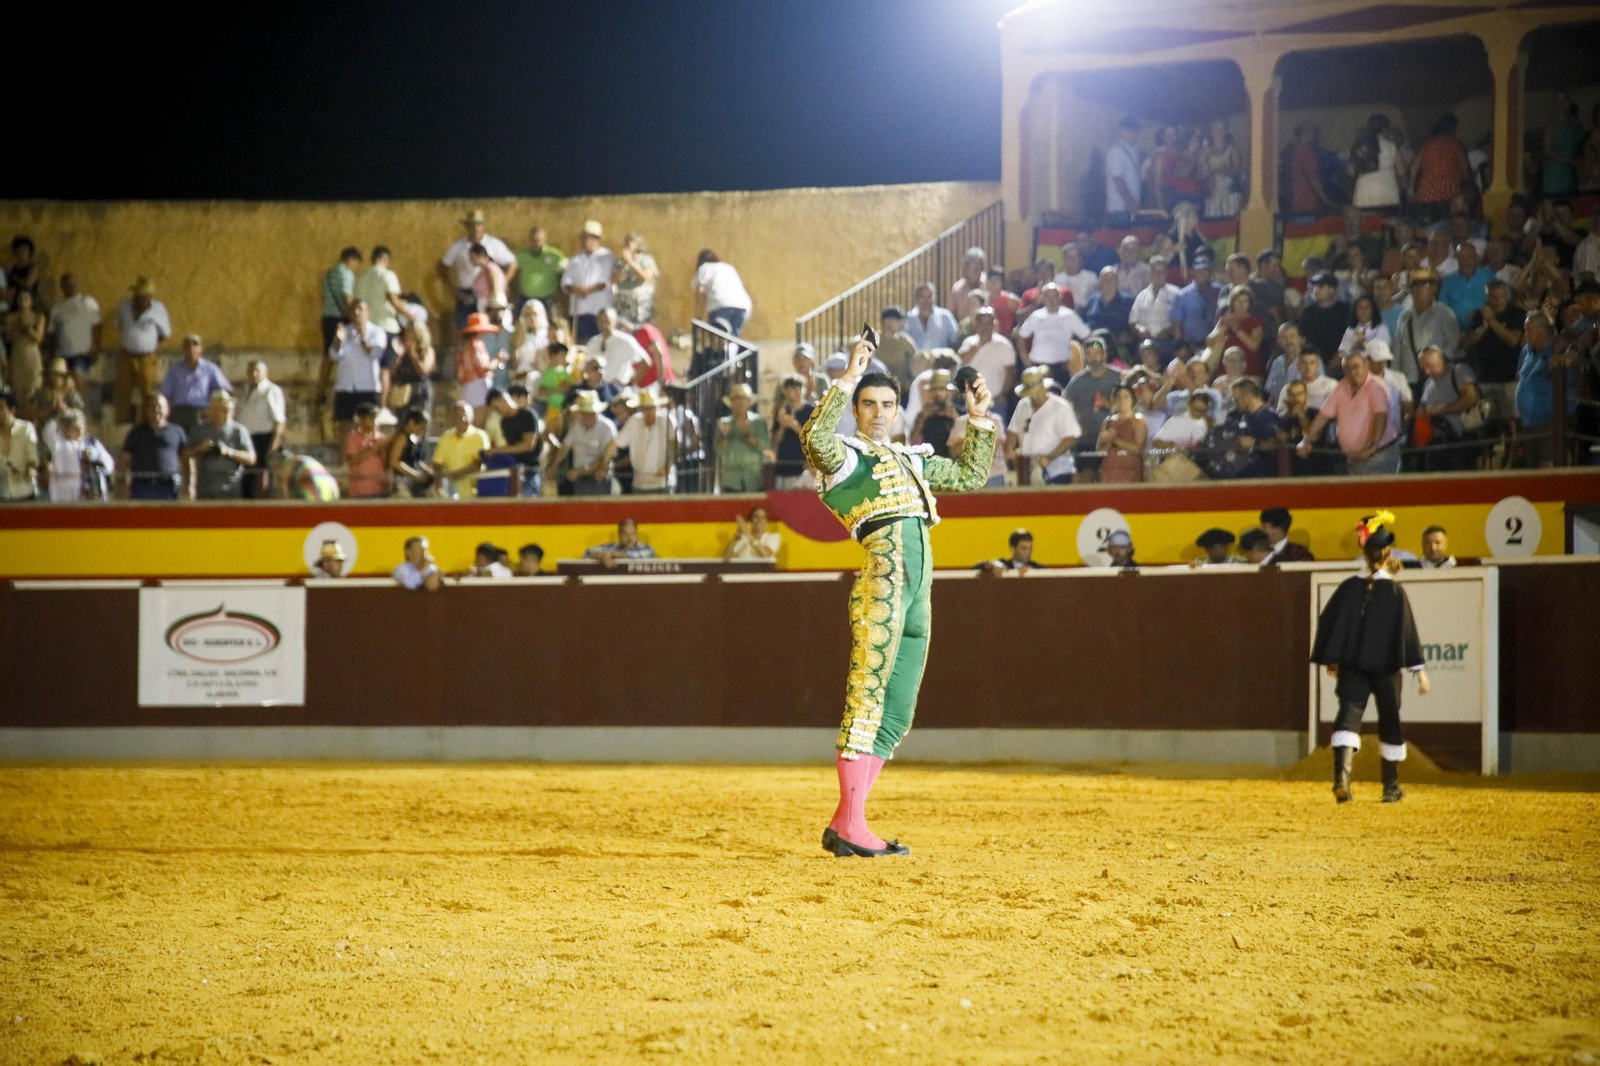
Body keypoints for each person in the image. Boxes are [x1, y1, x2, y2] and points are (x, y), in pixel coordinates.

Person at [801, 332, 997, 858]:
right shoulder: (843, 458)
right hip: (884, 579)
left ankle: (849, 822)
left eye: (887, 405)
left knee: (898, 709)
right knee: (866, 697)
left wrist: (977, 416)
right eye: (869, 405)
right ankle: (853, 825)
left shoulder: (910, 460)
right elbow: (814, 438)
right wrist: (846, 377)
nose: (879, 414)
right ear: (857, 409)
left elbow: (970, 474)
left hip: (919, 591)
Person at [1310, 511, 1430, 803]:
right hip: (1386, 668)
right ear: (1387, 553)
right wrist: (1419, 670)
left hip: (1353, 666)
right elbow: (1407, 631)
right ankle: (1390, 788)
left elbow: (1330, 623)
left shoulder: (1349, 587)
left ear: (1364, 553)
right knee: (1390, 719)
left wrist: (1333, 658)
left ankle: (1342, 781)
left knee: (1348, 715)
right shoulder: (1394, 590)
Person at [1298, 351, 1398, 474]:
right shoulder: (1342, 386)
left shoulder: (1376, 386)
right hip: (1353, 458)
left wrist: (1372, 447)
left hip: (1378, 455)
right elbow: (1323, 415)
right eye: (1347, 368)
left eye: (1356, 366)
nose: (1352, 371)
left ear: (1366, 365)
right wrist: (1306, 440)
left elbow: (1380, 416)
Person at [1514, 310, 1578, 466]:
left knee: (1547, 466)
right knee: (1532, 469)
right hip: (1529, 423)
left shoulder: (1559, 350)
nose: (1526, 334)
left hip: (1550, 421)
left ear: (1543, 329)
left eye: (1529, 330)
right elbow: (1519, 376)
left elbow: (1569, 381)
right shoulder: (1526, 350)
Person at [439, 210, 518, 331]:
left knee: (488, 329)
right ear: (466, 227)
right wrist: (454, 290)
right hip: (466, 294)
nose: (475, 228)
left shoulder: (493, 244)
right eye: (472, 225)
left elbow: (512, 263)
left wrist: (503, 283)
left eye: (478, 224)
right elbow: (443, 267)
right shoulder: (458, 246)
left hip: (488, 297)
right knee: (465, 329)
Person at [329, 299, 390, 439]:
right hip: (346, 386)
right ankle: (345, 460)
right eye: (353, 310)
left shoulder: (377, 332)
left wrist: (363, 338)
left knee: (370, 426)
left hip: (368, 386)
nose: (356, 313)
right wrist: (339, 340)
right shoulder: (345, 331)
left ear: (368, 313)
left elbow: (375, 353)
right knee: (345, 427)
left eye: (360, 309)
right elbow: (334, 355)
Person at [114, 276, 171, 423]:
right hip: (127, 356)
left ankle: (147, 424)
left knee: (148, 393)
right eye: (138, 296)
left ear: (149, 297)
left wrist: (147, 344)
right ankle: (121, 425)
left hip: (146, 357)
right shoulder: (124, 306)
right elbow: (119, 326)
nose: (140, 300)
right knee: (123, 392)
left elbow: (164, 334)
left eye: (144, 297)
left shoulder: (158, 309)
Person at [1393, 268, 1461, 386]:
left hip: (1436, 380)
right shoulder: (1404, 316)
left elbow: (1453, 345)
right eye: (1414, 285)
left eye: (1424, 284)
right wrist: (1394, 378)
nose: (1418, 289)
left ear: (1433, 288)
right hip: (1408, 380)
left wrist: (1434, 362)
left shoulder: (1444, 313)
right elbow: (1398, 349)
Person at [182, 391, 255, 500]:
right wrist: (199, 449)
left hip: (231, 488)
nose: (227, 414)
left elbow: (251, 458)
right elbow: (184, 454)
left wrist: (228, 452)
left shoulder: (239, 431)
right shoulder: (199, 430)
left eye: (229, 410)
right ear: (212, 411)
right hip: (205, 488)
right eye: (222, 410)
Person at [160, 334, 232, 437]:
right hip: (179, 413)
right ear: (183, 349)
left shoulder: (210, 369)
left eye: (195, 345)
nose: (191, 349)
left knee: (199, 442)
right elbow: (166, 394)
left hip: (202, 412)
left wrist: (213, 409)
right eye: (188, 346)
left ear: (201, 349)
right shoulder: (174, 370)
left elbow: (225, 391)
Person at [118, 393, 186, 500]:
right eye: (152, 406)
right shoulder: (136, 432)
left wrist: (189, 486)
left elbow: (186, 458)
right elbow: (125, 459)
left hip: (168, 486)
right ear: (146, 410)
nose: (156, 410)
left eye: (159, 406)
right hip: (142, 486)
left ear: (167, 409)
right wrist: (122, 484)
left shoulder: (177, 432)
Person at [1017, 283, 1091, 382]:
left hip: (1060, 368)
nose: (1051, 299)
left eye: (1054, 296)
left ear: (1060, 297)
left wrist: (1090, 352)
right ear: (1042, 298)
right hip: (1037, 367)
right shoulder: (1035, 316)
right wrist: (1025, 358)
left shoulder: (1069, 315)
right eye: (1047, 296)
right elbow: (1021, 336)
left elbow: (1087, 336)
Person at [550, 390, 617, 496]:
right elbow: (565, 447)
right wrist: (554, 465)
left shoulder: (607, 428)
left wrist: (579, 471)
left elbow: (606, 457)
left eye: (589, 412)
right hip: (579, 479)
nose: (586, 416)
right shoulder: (576, 426)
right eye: (584, 413)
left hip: (598, 478)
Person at [237, 360, 286, 499]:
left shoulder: (271, 390)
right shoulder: (245, 390)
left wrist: (273, 446)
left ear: (265, 373)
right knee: (246, 480)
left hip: (263, 439)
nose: (254, 374)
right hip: (246, 439)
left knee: (261, 481)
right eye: (251, 371)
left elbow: (279, 421)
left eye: (257, 371)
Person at [46, 273, 101, 396]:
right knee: (56, 381)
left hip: (81, 354)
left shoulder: (87, 302)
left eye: (71, 283)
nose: (69, 287)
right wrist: (49, 355)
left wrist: (95, 347)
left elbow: (97, 326)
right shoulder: (57, 308)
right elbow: (51, 333)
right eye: (66, 284)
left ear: (76, 284)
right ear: (62, 286)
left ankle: (86, 412)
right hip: (61, 355)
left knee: (77, 375)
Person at [608, 390, 673, 494]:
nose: (649, 411)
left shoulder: (666, 420)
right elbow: (615, 444)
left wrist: (668, 466)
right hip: (639, 484)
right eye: (645, 408)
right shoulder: (633, 421)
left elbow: (674, 445)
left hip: (662, 483)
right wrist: (605, 465)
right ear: (640, 409)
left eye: (651, 407)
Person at [560, 220, 615, 342]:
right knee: (582, 343)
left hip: (600, 311)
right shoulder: (575, 258)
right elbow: (566, 282)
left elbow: (606, 281)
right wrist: (575, 289)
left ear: (598, 239)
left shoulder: (607, 257)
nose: (586, 241)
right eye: (584, 238)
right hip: (580, 311)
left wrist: (587, 290)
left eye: (590, 238)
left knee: (601, 342)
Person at [42, 410, 114, 502]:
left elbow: (109, 465)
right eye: (74, 428)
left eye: (81, 427)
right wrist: (62, 413)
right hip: (63, 493)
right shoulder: (59, 444)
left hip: (90, 493)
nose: (79, 431)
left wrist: (93, 458)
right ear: (66, 429)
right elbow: (49, 429)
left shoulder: (92, 443)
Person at [431, 401, 492, 498]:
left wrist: (455, 475)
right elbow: (437, 463)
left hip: (475, 492)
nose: (463, 419)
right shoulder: (446, 437)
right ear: (453, 419)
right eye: (458, 417)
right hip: (449, 493)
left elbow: (479, 463)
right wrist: (444, 475)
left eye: (465, 415)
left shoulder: (480, 436)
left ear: (472, 417)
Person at [716, 382, 768, 493]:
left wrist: (748, 434)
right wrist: (725, 435)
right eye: (736, 399)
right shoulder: (723, 423)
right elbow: (719, 450)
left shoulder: (759, 422)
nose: (739, 403)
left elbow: (763, 447)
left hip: (753, 477)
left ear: (749, 401)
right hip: (731, 479)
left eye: (743, 399)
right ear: (731, 402)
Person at [693, 249, 752, 337]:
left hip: (720, 306)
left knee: (717, 341)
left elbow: (701, 290)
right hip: (742, 306)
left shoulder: (704, 267)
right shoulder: (728, 267)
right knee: (733, 341)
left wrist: (698, 316)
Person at [1096, 384, 1147, 483]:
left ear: (1132, 399)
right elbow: (1099, 449)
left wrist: (1115, 440)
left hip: (1130, 470)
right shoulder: (1108, 421)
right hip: (1109, 470)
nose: (1122, 401)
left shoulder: (1139, 421)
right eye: (1118, 398)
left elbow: (1138, 448)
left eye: (1126, 397)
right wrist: (1107, 442)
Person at [513, 227, 566, 319]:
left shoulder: (555, 255)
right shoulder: (520, 256)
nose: (537, 243)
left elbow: (567, 269)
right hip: (525, 299)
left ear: (545, 240)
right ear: (529, 241)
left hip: (548, 300)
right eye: (534, 241)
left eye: (539, 240)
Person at [0, 389, 41, 501]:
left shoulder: (25, 429)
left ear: (11, 410)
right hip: (2, 493)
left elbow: (32, 457)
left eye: (0, 408)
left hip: (25, 491)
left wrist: (30, 468)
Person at [343, 401, 390, 498]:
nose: (374, 421)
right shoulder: (353, 436)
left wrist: (383, 450)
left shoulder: (382, 438)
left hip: (380, 488)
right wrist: (374, 449)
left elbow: (387, 464)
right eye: (370, 417)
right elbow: (352, 460)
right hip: (361, 489)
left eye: (375, 417)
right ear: (361, 420)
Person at [1105, 117, 1143, 222]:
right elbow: (1118, 179)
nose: (1134, 134)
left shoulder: (1132, 151)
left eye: (1135, 131)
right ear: (1122, 131)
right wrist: (1130, 203)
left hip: (1131, 209)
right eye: (1131, 130)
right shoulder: (1116, 152)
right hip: (1119, 209)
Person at [903, 282, 960, 352]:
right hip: (915, 361)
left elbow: (956, 341)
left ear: (935, 298)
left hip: (939, 361)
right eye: (922, 297)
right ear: (916, 298)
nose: (926, 301)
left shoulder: (945, 317)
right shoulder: (907, 319)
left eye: (930, 296)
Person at [586, 517, 657, 567]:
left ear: (636, 534)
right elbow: (588, 552)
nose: (629, 538)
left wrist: (611, 554)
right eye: (625, 534)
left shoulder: (645, 548)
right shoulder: (611, 547)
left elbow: (647, 554)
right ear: (619, 535)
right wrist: (602, 556)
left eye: (632, 534)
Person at [976, 528, 1046, 573]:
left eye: (1030, 548)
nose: (1028, 552)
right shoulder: (1003, 565)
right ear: (1012, 549)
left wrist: (1033, 573)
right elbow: (976, 567)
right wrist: (993, 566)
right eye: (1023, 548)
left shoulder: (1038, 568)